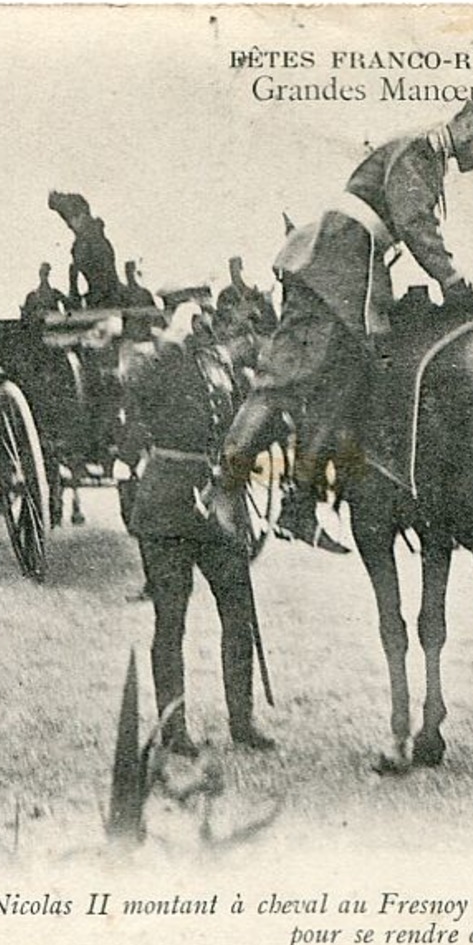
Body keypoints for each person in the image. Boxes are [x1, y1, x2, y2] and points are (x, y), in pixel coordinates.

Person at [208, 101, 473, 551]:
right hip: (332, 267)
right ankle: (223, 487)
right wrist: (452, 282)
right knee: (283, 381)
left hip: (353, 270)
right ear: (467, 123)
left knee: (342, 383)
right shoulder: (420, 151)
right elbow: (414, 223)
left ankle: (299, 503)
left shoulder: (429, 158)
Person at [121, 287, 275, 755]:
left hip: (217, 502)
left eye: (206, 312)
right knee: (171, 619)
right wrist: (171, 338)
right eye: (194, 313)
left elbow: (247, 421)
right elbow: (135, 389)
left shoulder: (220, 366)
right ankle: (174, 729)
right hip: (166, 503)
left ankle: (242, 721)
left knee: (238, 610)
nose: (204, 320)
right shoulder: (154, 359)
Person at [48, 191, 122, 309]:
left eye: (71, 219)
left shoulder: (93, 241)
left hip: (106, 300)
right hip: (97, 297)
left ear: (83, 216)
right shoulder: (82, 243)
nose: (69, 225)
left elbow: (105, 278)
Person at [213, 255, 278, 343]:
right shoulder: (226, 294)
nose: (234, 273)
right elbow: (221, 322)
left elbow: (270, 326)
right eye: (232, 268)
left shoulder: (258, 296)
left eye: (236, 268)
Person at [119, 260, 162, 339]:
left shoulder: (143, 292)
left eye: (130, 271)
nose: (129, 274)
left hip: (140, 332)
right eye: (128, 271)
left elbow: (154, 313)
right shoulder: (123, 293)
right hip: (133, 333)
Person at [21, 261, 71, 326]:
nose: (44, 276)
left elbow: (68, 305)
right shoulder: (31, 296)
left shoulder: (55, 293)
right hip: (38, 326)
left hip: (54, 325)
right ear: (39, 274)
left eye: (46, 273)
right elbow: (25, 316)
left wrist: (65, 318)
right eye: (42, 273)